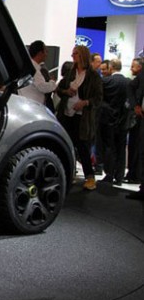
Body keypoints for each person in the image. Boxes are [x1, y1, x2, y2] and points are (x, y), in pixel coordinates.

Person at [55, 45, 103, 191]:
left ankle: (90, 177)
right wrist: (66, 92)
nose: (72, 56)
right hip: (66, 113)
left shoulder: (93, 76)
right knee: (66, 144)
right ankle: (67, 174)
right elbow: (59, 89)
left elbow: (98, 98)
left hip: (82, 117)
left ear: (82, 55)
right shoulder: (71, 73)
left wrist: (85, 102)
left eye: (75, 53)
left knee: (82, 146)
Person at [97, 59, 129, 185]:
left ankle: (109, 174)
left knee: (109, 147)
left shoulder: (106, 81)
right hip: (123, 120)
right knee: (121, 148)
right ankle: (119, 176)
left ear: (111, 68)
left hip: (108, 119)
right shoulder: (128, 82)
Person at [18, 40, 56, 107]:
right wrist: (52, 82)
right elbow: (42, 87)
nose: (46, 54)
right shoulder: (33, 69)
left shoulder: (29, 66)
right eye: (45, 51)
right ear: (40, 53)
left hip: (27, 102)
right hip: (32, 104)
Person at [126, 58, 144, 184]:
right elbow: (130, 87)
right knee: (140, 148)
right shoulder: (141, 75)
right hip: (141, 116)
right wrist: (135, 105)